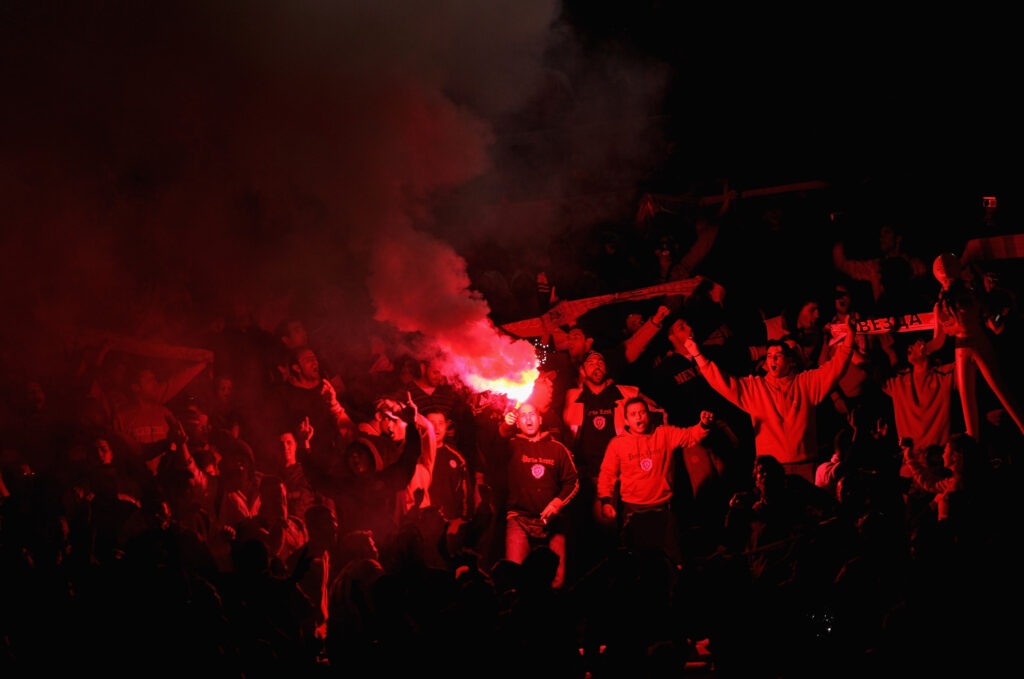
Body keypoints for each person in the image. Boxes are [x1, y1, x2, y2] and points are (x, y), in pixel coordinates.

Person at [685, 316, 856, 480]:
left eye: (778, 355)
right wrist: (699, 356)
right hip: (770, 469)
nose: (772, 359)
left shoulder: (807, 383)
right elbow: (722, 381)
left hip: (805, 465)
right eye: (769, 356)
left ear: (791, 361)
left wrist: (849, 340)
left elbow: (835, 368)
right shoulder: (755, 388)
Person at [596, 398, 712, 558]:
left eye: (642, 412)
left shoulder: (664, 434)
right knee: (637, 559)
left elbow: (690, 436)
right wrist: (605, 501)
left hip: (663, 506)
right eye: (633, 414)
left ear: (648, 415)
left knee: (671, 557)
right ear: (626, 420)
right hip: (633, 509)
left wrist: (703, 425)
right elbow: (607, 473)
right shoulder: (617, 444)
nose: (639, 417)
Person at [927, 253, 1024, 438]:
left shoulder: (968, 296)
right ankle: (973, 442)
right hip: (964, 348)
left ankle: (1017, 427)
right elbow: (938, 340)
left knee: (998, 391)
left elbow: (991, 322)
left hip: (974, 344)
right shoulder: (948, 303)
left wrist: (995, 313)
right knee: (970, 401)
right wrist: (925, 349)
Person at [502, 403, 578, 588]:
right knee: (515, 576)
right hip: (519, 519)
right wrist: (505, 426)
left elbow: (572, 482)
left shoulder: (558, 449)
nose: (528, 418)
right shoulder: (510, 447)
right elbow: (494, 441)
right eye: (523, 416)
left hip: (553, 522)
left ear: (540, 419)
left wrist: (557, 503)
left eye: (532, 414)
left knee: (557, 580)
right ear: (517, 423)